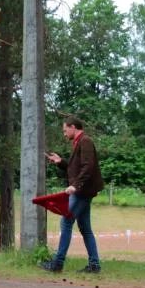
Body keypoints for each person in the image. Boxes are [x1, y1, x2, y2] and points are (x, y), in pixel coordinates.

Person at [42, 117, 104, 274]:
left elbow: (88, 167)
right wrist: (60, 162)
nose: (64, 134)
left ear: (73, 127)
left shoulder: (85, 141)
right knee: (85, 228)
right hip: (83, 191)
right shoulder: (79, 142)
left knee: (66, 221)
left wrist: (75, 186)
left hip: (82, 192)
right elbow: (75, 168)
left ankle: (58, 263)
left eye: (65, 130)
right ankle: (94, 265)